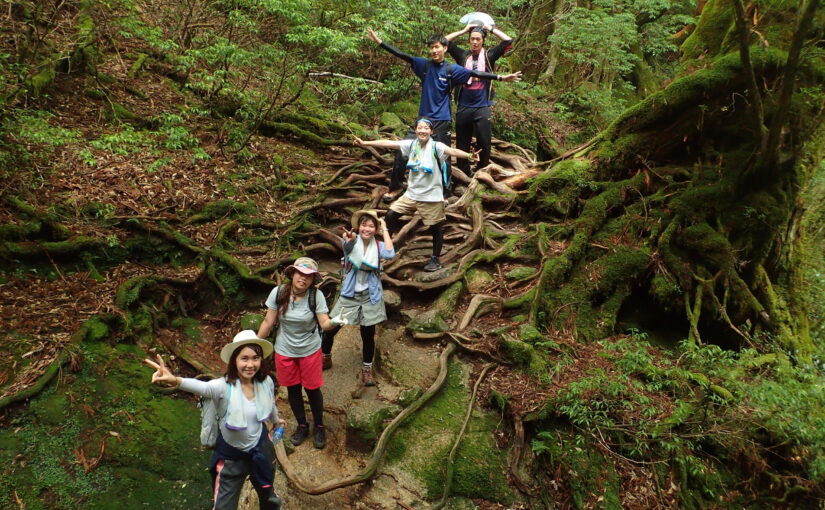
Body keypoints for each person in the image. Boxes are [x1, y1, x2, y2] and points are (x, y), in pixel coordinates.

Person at [366, 28, 522, 202]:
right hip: (423, 120)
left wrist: (501, 77)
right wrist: (380, 42)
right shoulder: (423, 65)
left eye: (438, 47)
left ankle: (445, 192)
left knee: (444, 157)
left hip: (443, 120)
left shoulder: (451, 69)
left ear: (445, 49)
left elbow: (475, 73)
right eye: (432, 47)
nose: (434, 51)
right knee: (403, 151)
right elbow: (402, 55)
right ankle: (395, 188)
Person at [144, 330, 285, 510]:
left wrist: (277, 420)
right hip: (231, 458)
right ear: (234, 360)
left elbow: (270, 403)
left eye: (255, 358)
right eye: (244, 358)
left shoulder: (265, 382)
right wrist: (175, 380)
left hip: (261, 448)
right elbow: (202, 387)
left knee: (268, 493)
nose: (250, 364)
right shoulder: (222, 386)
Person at [354, 118, 476, 272]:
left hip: (431, 197)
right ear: (416, 130)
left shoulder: (436, 147)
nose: (422, 130)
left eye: (426, 128)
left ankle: (435, 259)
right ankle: (386, 251)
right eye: (420, 128)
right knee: (390, 216)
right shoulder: (412, 144)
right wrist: (365, 144)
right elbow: (389, 143)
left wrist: (469, 156)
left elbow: (452, 151)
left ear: (431, 131)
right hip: (411, 195)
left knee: (435, 227)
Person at [256, 257, 346, 449]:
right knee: (293, 389)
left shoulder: (316, 296)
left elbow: (324, 323)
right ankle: (302, 425)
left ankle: (319, 426)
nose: (303, 279)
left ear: (313, 280)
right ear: (292, 274)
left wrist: (337, 321)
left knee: (313, 389)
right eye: (300, 274)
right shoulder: (279, 292)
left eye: (308, 276)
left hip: (309, 350)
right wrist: (255, 345)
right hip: (284, 349)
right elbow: (268, 322)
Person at [322, 209, 396, 385]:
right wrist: (350, 238)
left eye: (371, 226)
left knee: (368, 334)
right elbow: (347, 247)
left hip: (370, 294)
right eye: (364, 225)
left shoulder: (378, 246)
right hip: (350, 294)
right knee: (332, 328)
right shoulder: (351, 242)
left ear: (375, 229)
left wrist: (384, 228)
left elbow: (390, 254)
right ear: (358, 226)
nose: (367, 229)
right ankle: (325, 357)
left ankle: (367, 368)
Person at [445, 24, 514, 177]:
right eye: (472, 39)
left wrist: (491, 29)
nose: (474, 42)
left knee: (484, 140)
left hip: (482, 105)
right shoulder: (463, 55)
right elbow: (444, 41)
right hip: (463, 105)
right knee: (462, 141)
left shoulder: (489, 55)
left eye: (478, 39)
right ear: (469, 41)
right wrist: (464, 30)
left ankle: (482, 169)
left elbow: (508, 41)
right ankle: (464, 171)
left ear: (483, 41)